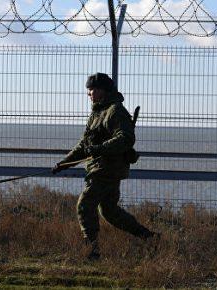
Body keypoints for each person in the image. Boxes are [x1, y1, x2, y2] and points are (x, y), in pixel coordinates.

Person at [52, 72, 157, 261]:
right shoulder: (97, 113)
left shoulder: (115, 111)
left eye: (91, 90)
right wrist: (64, 163)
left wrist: (99, 149)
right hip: (102, 167)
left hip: (107, 169)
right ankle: (148, 237)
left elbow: (125, 138)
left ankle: (91, 250)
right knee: (109, 211)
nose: (89, 94)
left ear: (102, 91)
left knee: (85, 205)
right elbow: (84, 146)